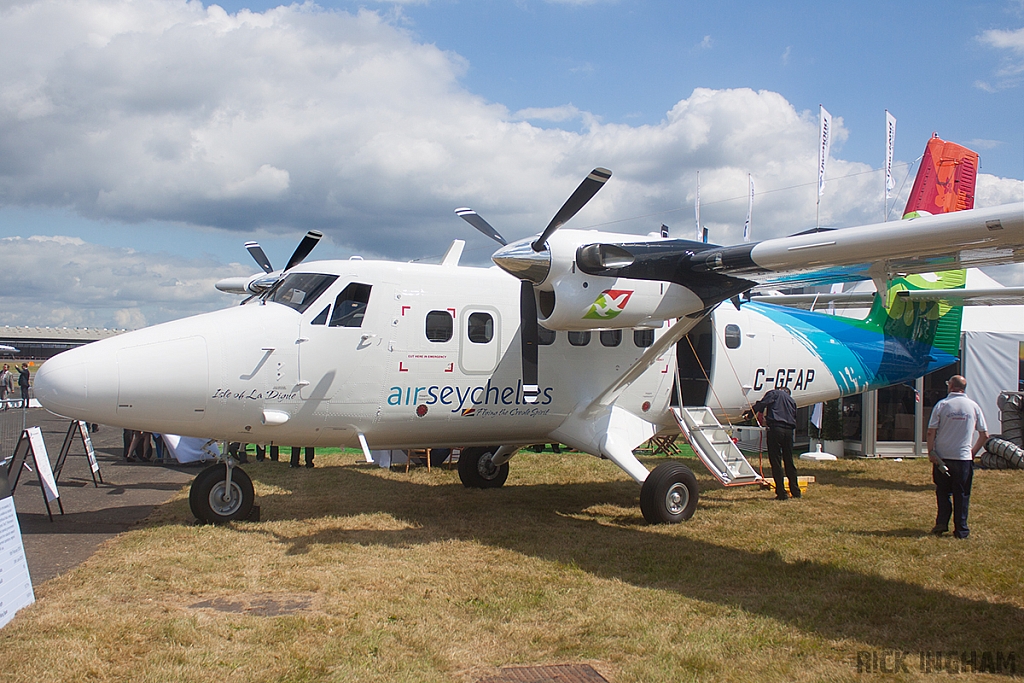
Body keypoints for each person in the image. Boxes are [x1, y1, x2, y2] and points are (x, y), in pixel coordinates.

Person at [927, 375, 987, 539]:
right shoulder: (973, 406)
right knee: (962, 494)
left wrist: (931, 451)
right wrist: (972, 452)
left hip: (943, 456)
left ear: (951, 386)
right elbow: (984, 435)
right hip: (963, 458)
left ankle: (941, 524)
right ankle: (961, 529)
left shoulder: (942, 405)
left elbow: (931, 431)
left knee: (943, 492)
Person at [749, 386, 800, 500]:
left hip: (776, 428)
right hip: (789, 431)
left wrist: (750, 413)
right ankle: (795, 491)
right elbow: (794, 416)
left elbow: (762, 403)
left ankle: (781, 493)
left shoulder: (775, 393)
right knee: (789, 461)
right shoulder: (791, 401)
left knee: (776, 461)